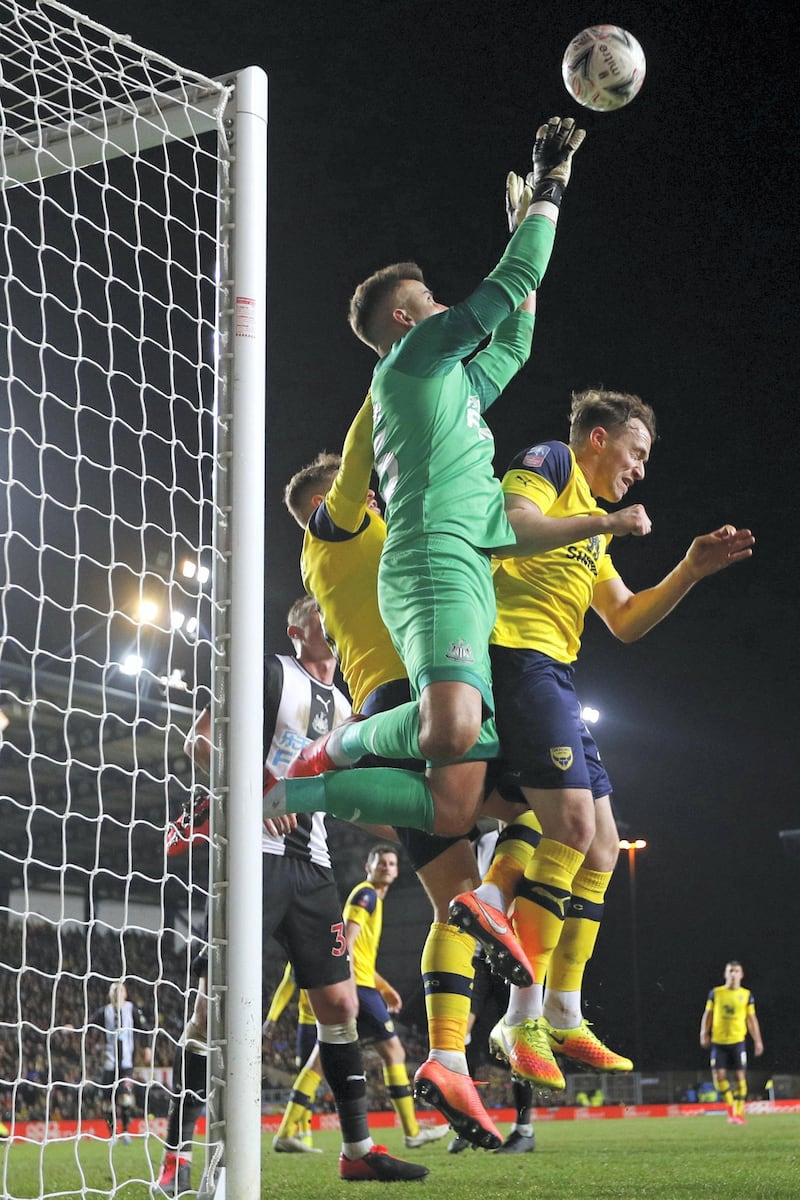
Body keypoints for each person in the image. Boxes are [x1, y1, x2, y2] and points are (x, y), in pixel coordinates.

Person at [263, 114, 587, 841]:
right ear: (409, 318)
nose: (448, 309)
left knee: (453, 812)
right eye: (436, 302)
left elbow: (518, 336)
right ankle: (329, 750)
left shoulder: (454, 387)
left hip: (470, 563)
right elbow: (517, 277)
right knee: (449, 732)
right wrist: (550, 187)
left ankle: (295, 796)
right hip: (434, 557)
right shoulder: (410, 362)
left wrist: (524, 228)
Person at [477, 388, 755, 1089]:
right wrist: (604, 519)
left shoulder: (593, 529)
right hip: (514, 655)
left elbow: (626, 620)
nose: (639, 471)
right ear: (597, 440)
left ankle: (565, 1013)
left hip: (558, 674)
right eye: (635, 454)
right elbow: (509, 527)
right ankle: (520, 1015)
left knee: (602, 844)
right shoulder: (547, 460)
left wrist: (689, 568)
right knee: (568, 826)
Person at [281, 439, 528, 1151]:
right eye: (361, 492)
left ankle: (448, 1058)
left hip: (384, 705)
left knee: (454, 897)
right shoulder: (355, 530)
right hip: (424, 690)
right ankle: (321, 771)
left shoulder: (331, 560)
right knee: (557, 800)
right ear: (341, 501)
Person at [154, 597, 428, 1194]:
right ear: (296, 629)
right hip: (253, 858)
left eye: (336, 606)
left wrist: (427, 822)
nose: (331, 614)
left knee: (340, 1006)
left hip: (315, 867)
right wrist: (257, 786)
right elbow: (198, 740)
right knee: (211, 1013)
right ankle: (176, 1154)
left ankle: (356, 1149)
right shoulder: (272, 672)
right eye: (318, 609)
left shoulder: (350, 705)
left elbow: (344, 796)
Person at [277, 844, 449, 1151]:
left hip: (362, 983)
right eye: (380, 861)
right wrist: (355, 987)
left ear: (397, 871)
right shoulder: (366, 895)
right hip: (356, 986)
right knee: (394, 1053)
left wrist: (383, 987)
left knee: (318, 1062)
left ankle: (286, 1131)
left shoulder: (372, 899)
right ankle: (411, 1131)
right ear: (367, 867)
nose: (386, 866)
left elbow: (360, 954)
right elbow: (348, 942)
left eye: (392, 863)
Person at [264, 962, 320, 1151]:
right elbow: (287, 984)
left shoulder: (338, 943)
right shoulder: (299, 950)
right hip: (309, 1022)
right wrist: (272, 1018)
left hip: (335, 1018)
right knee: (307, 1073)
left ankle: (355, 1139)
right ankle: (305, 1135)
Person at [699, 960, 763, 1124]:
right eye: (730, 971)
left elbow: (751, 1019)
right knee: (719, 1076)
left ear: (741, 975)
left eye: (736, 971)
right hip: (719, 1042)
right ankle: (731, 1111)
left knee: (739, 1076)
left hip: (737, 1042)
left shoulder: (746, 995)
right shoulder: (716, 993)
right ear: (725, 974)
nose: (733, 974)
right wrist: (704, 1032)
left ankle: (738, 1113)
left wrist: (758, 1041)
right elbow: (708, 1014)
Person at [89, 981, 151, 1145]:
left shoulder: (131, 1009)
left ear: (125, 993)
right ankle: (112, 1135)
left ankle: (125, 1132)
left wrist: (147, 1047)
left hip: (126, 1063)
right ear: (110, 995)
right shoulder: (105, 1012)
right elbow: (88, 1024)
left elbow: (144, 1028)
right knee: (107, 1102)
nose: (117, 993)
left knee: (125, 1097)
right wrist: (74, 1028)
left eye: (120, 990)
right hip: (110, 1063)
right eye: (114, 991)